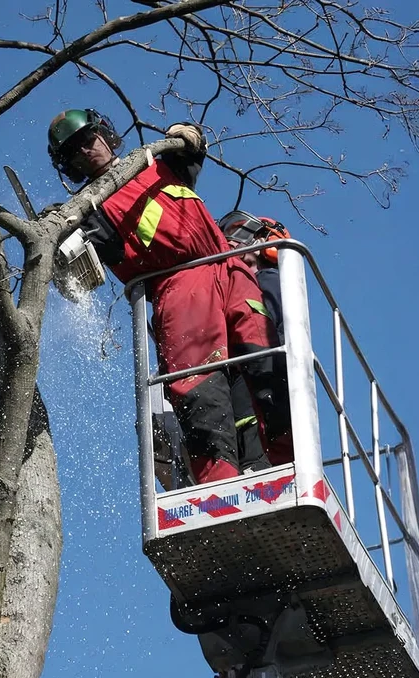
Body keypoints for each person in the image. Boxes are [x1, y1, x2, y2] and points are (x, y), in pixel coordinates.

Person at [46, 108, 292, 484]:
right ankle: (219, 488)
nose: (85, 150)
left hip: (229, 270)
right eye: (73, 150)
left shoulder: (155, 164)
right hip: (178, 289)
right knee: (200, 391)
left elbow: (192, 146)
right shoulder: (87, 211)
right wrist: (56, 233)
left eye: (87, 139)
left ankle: (290, 467)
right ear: (69, 164)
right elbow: (75, 273)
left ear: (103, 133)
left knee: (269, 367)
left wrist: (185, 132)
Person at [217, 210, 293, 473]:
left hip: (264, 378)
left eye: (238, 233)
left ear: (262, 242)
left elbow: (262, 328)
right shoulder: (251, 283)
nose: (232, 242)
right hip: (256, 380)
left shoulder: (268, 280)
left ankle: (254, 465)